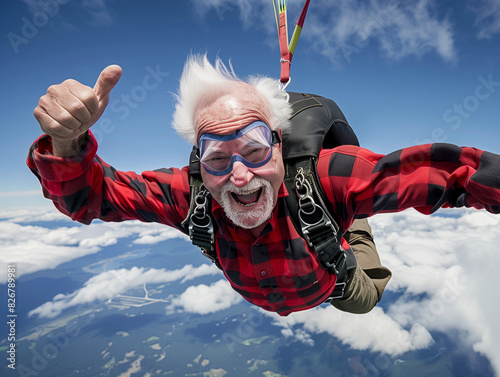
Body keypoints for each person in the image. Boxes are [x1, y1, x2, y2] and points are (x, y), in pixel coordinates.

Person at [28, 55, 500, 317]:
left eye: (254, 149)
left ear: (279, 145)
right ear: (198, 162)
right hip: (281, 279)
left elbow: (441, 172)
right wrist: (67, 142)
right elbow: (93, 197)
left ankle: (354, 228)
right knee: (335, 210)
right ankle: (345, 221)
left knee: (363, 299)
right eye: (216, 156)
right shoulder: (190, 195)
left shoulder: (326, 176)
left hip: (338, 283)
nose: (239, 175)